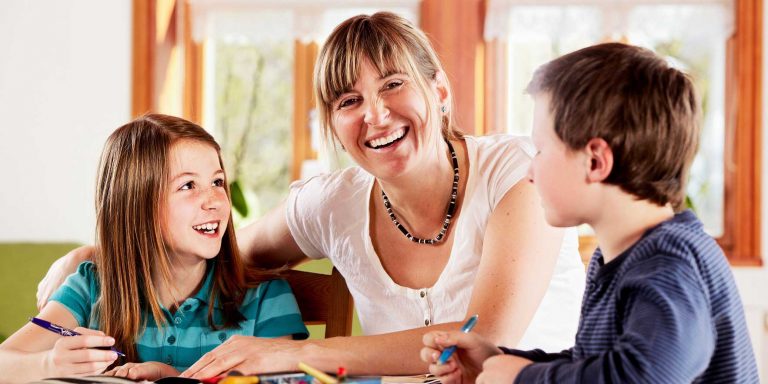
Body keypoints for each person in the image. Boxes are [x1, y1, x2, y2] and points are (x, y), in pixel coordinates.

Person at [37, 12, 585, 376]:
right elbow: (219, 252)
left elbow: (482, 339)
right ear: (332, 123)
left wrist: (291, 354)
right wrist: (100, 258)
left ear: (439, 91)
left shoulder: (518, 172)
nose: (374, 114)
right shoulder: (333, 204)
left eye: (393, 84)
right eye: (348, 101)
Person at [421, 42, 760, 383]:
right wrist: (499, 361)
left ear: (595, 161)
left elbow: (644, 377)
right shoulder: (619, 258)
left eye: (540, 150)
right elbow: (597, 363)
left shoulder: (669, 265)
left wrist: (523, 379)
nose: (530, 172)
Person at [0, 114, 308, 382]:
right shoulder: (91, 286)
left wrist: (173, 378)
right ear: (136, 206)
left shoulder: (265, 296)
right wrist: (48, 363)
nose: (214, 200)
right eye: (188, 186)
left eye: (217, 182)